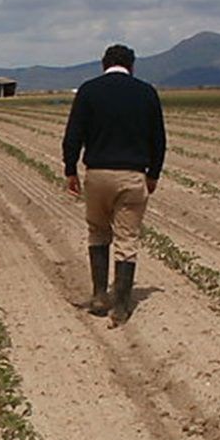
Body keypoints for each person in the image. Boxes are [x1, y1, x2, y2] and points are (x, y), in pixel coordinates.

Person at [62, 44, 166, 327]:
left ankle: (98, 295)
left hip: (97, 174)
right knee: (126, 239)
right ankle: (120, 306)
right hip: (132, 176)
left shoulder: (89, 90)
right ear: (132, 66)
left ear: (103, 65)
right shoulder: (146, 93)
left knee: (98, 231)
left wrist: (70, 169)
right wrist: (153, 174)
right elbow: (159, 138)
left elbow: (73, 134)